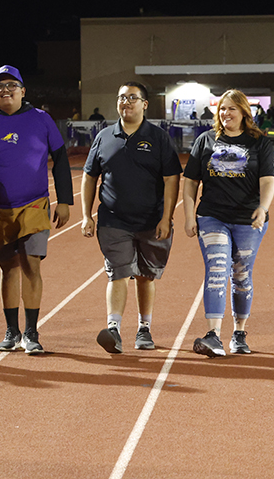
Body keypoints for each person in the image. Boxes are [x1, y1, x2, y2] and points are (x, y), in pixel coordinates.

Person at [0, 65, 73, 355]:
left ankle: (32, 332)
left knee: (30, 265)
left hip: (34, 204)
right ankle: (12, 331)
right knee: (7, 267)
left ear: (23, 91)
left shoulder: (41, 120)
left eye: (12, 85)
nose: (6, 90)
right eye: (0, 86)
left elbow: (60, 159)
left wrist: (65, 200)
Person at [81, 82, 182, 353]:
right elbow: (90, 176)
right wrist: (86, 215)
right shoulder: (104, 137)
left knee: (146, 276)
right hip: (114, 220)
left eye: (132, 98)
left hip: (151, 219)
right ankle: (113, 329)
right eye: (121, 98)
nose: (126, 102)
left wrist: (166, 217)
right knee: (119, 272)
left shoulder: (159, 137)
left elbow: (172, 177)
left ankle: (144, 328)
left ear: (145, 104)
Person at [183, 89, 274, 357]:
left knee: (241, 275)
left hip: (248, 220)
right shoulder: (206, 140)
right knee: (217, 269)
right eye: (222, 109)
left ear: (244, 112)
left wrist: (263, 207)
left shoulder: (260, 142)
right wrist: (189, 216)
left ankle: (239, 334)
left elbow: (268, 180)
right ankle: (213, 335)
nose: (225, 114)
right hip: (212, 216)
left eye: (231, 109)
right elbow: (190, 182)